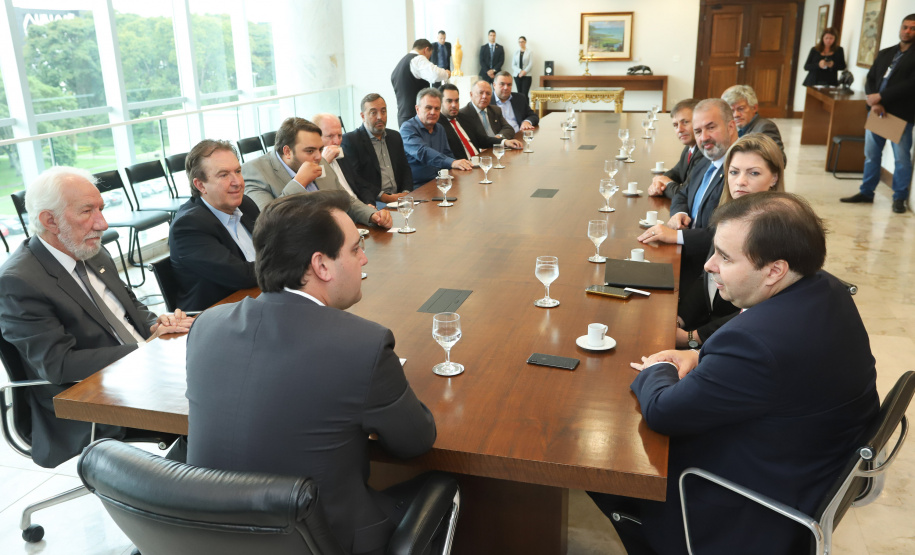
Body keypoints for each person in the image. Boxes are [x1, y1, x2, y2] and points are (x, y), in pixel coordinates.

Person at [590, 192, 879, 555]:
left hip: (753, 502)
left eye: (725, 257)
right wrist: (699, 357)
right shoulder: (829, 290)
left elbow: (664, 411)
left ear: (775, 269)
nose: (710, 265)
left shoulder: (758, 343)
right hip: (810, 464)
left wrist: (658, 367)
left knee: (608, 464)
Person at [186, 190, 437, 555]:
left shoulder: (206, 325)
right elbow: (415, 441)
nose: (364, 258)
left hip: (211, 538)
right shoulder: (363, 344)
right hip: (321, 540)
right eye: (355, 249)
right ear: (321, 266)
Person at [0, 166, 192, 468]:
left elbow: (130, 306)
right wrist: (146, 349)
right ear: (49, 221)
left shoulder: (90, 250)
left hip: (141, 371)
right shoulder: (19, 281)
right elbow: (58, 364)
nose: (101, 223)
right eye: (87, 211)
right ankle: (184, 501)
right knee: (211, 412)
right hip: (89, 402)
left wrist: (157, 324)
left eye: (100, 208)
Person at [672, 134, 784, 349]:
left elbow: (757, 312)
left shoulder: (779, 232)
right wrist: (679, 320)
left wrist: (693, 337)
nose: (740, 181)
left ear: (774, 178)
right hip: (705, 326)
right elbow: (707, 278)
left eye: (753, 173)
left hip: (738, 341)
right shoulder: (726, 216)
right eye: (734, 172)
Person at [242, 117, 392, 228]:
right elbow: (269, 222)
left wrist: (372, 215)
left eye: (320, 149)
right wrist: (299, 182)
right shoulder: (255, 172)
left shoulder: (317, 160)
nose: (319, 157)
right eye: (310, 151)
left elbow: (344, 198)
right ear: (287, 151)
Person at [170, 140, 260, 311]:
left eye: (238, 171)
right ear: (200, 185)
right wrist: (287, 261)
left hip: (254, 299)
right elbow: (243, 276)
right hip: (216, 315)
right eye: (224, 175)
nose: (237, 182)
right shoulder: (189, 226)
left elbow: (274, 245)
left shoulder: (245, 204)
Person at [840, 14, 915, 214]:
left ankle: (899, 198)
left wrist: (881, 97)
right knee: (871, 156)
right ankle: (866, 192)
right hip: (877, 112)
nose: (907, 31)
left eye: (912, 28)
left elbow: (910, 86)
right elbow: (870, 78)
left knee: (901, 159)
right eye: (905, 27)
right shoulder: (886, 53)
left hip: (900, 115)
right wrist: (874, 101)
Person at [341, 94, 413, 207]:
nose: (380, 117)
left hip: (400, 197)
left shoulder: (395, 136)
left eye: (383, 111)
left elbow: (405, 168)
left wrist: (406, 192)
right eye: (373, 112)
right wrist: (384, 197)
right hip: (375, 200)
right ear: (363, 116)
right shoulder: (351, 140)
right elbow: (356, 179)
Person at [401, 87, 473, 188]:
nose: (433, 112)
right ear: (417, 109)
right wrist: (452, 162)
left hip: (441, 182)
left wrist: (462, 165)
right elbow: (423, 152)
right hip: (418, 187)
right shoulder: (407, 128)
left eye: (437, 108)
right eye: (428, 108)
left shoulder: (439, 128)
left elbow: (448, 154)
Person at [647, 98, 701, 199]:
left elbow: (685, 195)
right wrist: (658, 181)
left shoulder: (704, 153)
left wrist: (666, 183)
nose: (679, 129)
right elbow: (676, 172)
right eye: (675, 125)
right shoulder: (689, 148)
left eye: (685, 122)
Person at [392, 39, 450, 127]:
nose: (428, 59)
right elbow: (435, 74)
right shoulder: (417, 59)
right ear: (426, 50)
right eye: (429, 56)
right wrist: (446, 74)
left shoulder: (399, 65)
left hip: (403, 116)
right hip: (416, 117)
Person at [721, 84, 785, 163]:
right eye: (732, 111)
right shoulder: (736, 128)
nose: (736, 115)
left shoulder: (765, 127)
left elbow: (780, 160)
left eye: (741, 109)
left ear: (754, 108)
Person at [312, 113, 366, 202]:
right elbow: (320, 196)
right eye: (330, 136)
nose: (337, 142)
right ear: (316, 138)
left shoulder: (343, 156)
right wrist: (324, 162)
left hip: (358, 206)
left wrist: (369, 204)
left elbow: (361, 184)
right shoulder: (311, 163)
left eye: (340, 136)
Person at [458, 80, 524, 150]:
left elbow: (508, 129)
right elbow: (473, 140)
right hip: (482, 152)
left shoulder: (495, 110)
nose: (484, 96)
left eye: (488, 93)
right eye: (481, 93)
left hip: (498, 148)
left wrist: (498, 138)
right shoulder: (463, 114)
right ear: (471, 95)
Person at [439, 84, 486, 160]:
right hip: (462, 168)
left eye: (456, 101)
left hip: (478, 162)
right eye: (449, 101)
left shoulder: (464, 117)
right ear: (440, 102)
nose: (454, 105)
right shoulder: (438, 125)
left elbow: (482, 139)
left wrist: (503, 141)